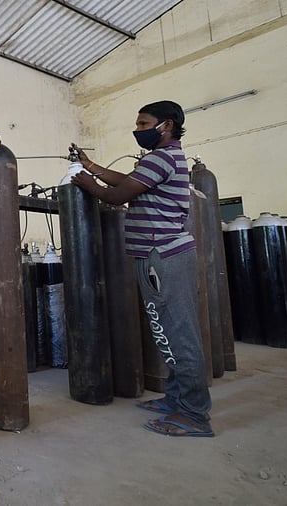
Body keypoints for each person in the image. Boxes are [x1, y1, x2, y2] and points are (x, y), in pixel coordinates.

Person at [70, 100, 213, 437]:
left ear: (166, 126)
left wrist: (86, 183)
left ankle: (194, 415)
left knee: (179, 333)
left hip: (163, 256)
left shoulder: (163, 157)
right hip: (154, 255)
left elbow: (120, 194)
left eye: (144, 123)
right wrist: (90, 165)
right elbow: (129, 180)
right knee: (167, 330)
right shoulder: (158, 161)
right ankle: (177, 399)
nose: (138, 130)